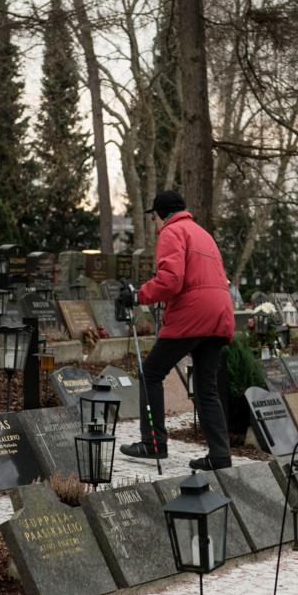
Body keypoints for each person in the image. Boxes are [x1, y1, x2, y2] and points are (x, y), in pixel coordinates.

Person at [118, 191, 235, 470]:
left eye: (154, 218)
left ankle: (153, 443)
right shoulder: (202, 234)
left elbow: (171, 280)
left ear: (160, 215)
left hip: (193, 314)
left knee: (151, 373)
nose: (155, 224)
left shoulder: (171, 233)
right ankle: (220, 454)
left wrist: (137, 296)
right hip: (219, 313)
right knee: (206, 388)